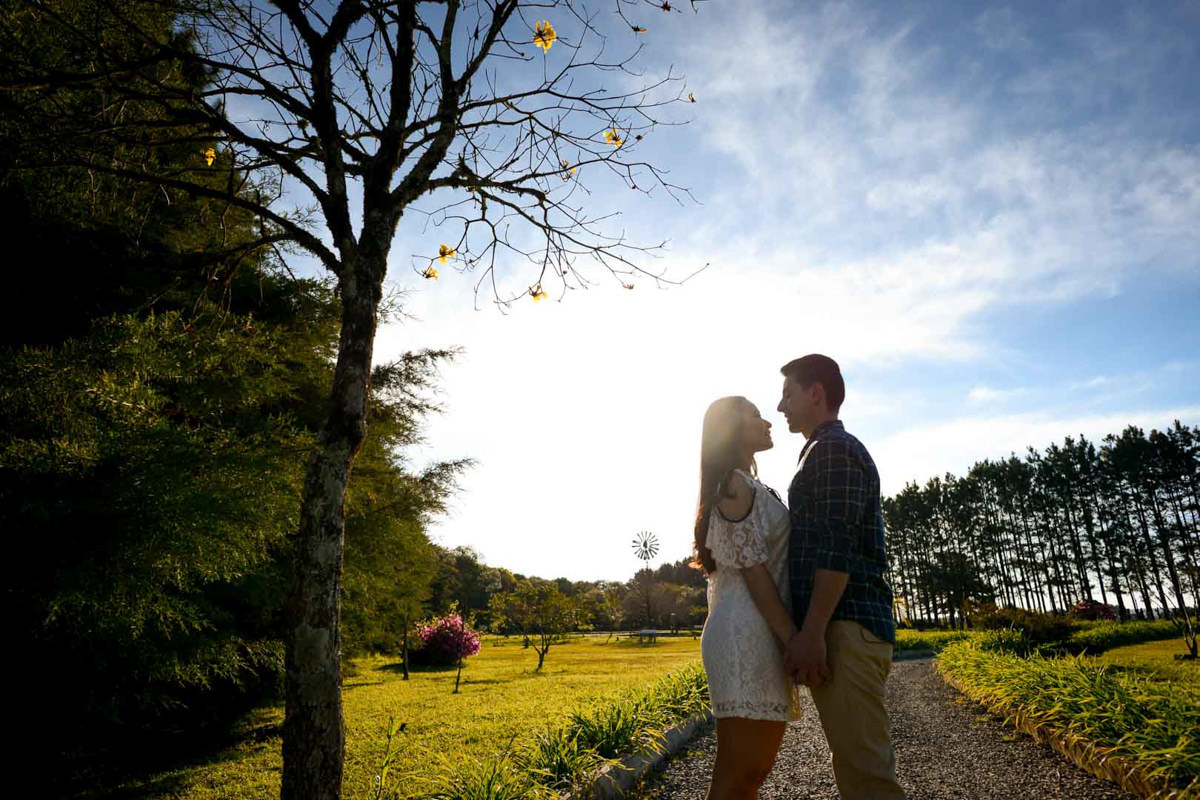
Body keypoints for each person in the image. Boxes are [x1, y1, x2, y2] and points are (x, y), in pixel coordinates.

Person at [777, 354, 904, 800]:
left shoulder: (833, 448)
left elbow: (837, 546)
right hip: (843, 624)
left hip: (846, 625)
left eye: (787, 394)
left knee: (868, 776)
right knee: (856, 769)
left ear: (816, 394)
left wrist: (812, 633)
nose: (780, 406)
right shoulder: (821, 448)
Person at [695, 396, 801, 800]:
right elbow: (754, 575)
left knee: (747, 775)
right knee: (742, 773)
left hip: (757, 630)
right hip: (744, 633)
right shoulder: (735, 484)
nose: (768, 420)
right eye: (756, 414)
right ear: (732, 428)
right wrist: (793, 638)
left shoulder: (747, 483)